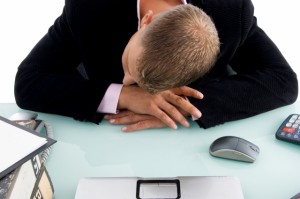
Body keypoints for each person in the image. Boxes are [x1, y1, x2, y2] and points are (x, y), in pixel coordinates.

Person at [14, 0, 298, 132]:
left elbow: (283, 81)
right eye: (128, 65)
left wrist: (182, 105)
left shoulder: (232, 11)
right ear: (146, 21)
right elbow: (28, 81)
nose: (127, 79)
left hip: (189, 141)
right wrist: (121, 96)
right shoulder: (87, 8)